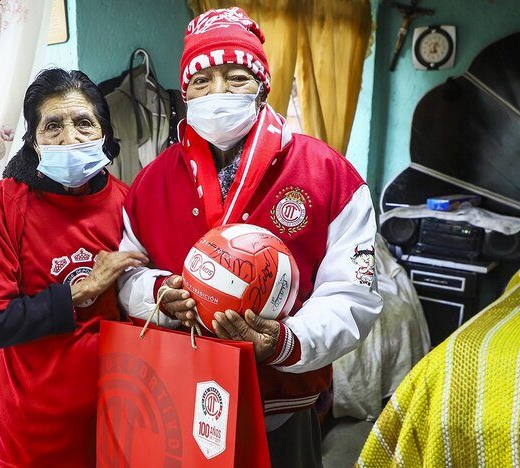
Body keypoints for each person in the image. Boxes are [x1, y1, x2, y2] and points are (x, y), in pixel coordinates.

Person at [117, 8, 383, 467]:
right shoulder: (150, 183)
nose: (217, 93)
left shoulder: (327, 175)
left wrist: (283, 340)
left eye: (236, 77)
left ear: (263, 87)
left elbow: (353, 294)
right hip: (178, 395)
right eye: (202, 81)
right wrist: (159, 293)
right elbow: (126, 273)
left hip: (280, 406)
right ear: (186, 93)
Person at [0, 68, 146, 467]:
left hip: (116, 424)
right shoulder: (2, 205)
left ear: (104, 135)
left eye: (84, 123)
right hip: (30, 437)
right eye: (53, 126)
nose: (70, 137)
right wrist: (80, 291)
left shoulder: (128, 202)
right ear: (33, 141)